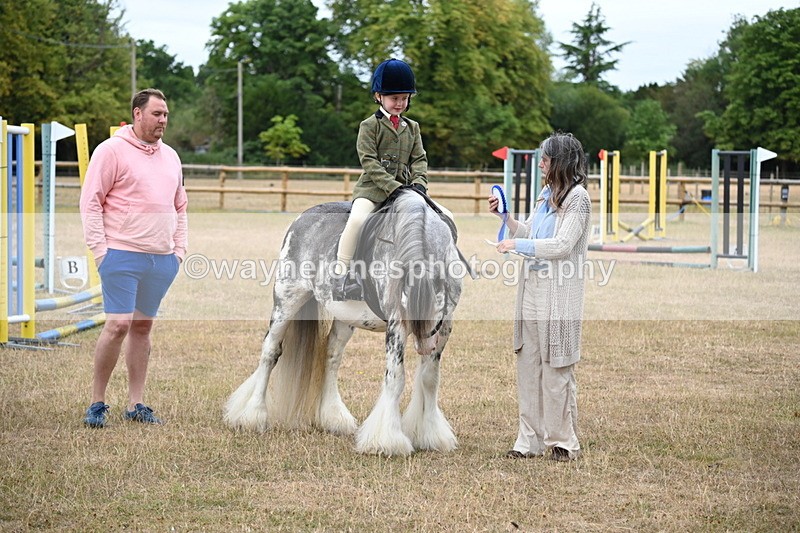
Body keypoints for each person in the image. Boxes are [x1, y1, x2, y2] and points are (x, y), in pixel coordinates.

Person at [80, 88, 188, 428]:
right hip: (120, 253)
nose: (163, 120)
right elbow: (91, 201)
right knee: (117, 325)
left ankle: (136, 403)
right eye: (157, 114)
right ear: (137, 113)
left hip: (161, 258)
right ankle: (98, 402)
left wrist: (178, 251)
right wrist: (101, 252)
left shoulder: (171, 156)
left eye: (166, 115)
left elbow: (180, 206)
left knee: (142, 327)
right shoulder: (111, 151)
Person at [488, 132, 591, 461]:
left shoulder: (578, 199)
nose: (541, 163)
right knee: (528, 363)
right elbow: (531, 232)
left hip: (559, 291)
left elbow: (561, 246)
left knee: (556, 364)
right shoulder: (545, 195)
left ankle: (562, 441)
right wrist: (506, 219)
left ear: (561, 161)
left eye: (546, 158)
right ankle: (528, 441)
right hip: (531, 288)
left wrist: (515, 245)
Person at [333, 58, 452, 300]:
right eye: (394, 98)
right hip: (373, 190)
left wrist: (419, 183)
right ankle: (343, 276)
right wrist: (393, 187)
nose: (399, 103)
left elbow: (419, 158)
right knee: (357, 221)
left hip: (408, 191)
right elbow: (369, 162)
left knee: (447, 216)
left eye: (404, 98)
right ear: (379, 96)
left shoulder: (412, 127)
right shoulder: (369, 126)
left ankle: (438, 272)